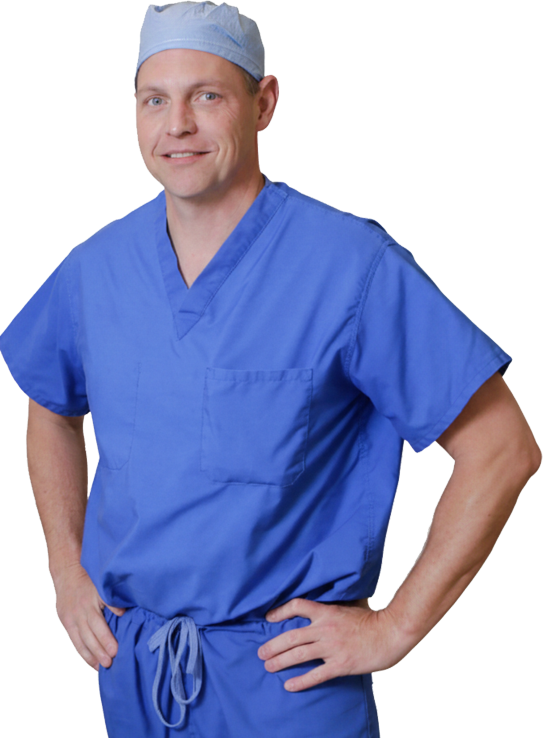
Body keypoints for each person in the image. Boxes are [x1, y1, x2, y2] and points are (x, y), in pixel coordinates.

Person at [0, 2, 541, 736]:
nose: (177, 125)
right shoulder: (97, 270)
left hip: (285, 681)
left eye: (206, 96)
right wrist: (66, 570)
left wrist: (394, 628)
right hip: (136, 672)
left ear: (264, 103)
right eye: (155, 99)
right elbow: (50, 407)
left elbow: (502, 450)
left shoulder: (350, 268)